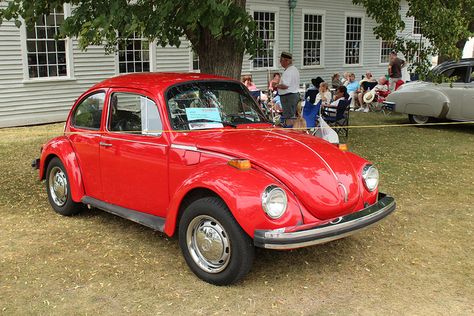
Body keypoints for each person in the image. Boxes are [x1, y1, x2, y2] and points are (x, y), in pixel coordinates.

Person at [273, 51, 300, 119]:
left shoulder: (288, 71)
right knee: (292, 116)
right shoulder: (294, 69)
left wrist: (276, 85)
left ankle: (289, 128)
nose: (280, 62)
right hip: (292, 95)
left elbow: (285, 85)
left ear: (287, 61)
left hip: (288, 97)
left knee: (289, 117)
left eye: (281, 60)